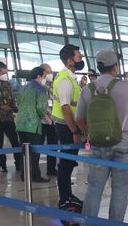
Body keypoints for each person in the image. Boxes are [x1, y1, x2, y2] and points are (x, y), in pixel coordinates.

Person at [74, 50, 128, 226]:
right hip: (124, 143)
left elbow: (79, 118)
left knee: (95, 187)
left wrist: (90, 132)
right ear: (116, 67)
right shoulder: (127, 86)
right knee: (120, 189)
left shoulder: (88, 89)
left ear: (98, 67)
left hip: (98, 144)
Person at [51, 44, 86, 208]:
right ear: (69, 60)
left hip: (68, 125)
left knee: (68, 163)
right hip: (66, 127)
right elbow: (65, 107)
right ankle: (64, 198)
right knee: (66, 164)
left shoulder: (70, 78)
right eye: (78, 58)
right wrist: (75, 131)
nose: (81, 61)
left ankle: (68, 195)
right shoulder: (65, 80)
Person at [14, 66, 51, 184]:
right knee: (34, 152)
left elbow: (18, 103)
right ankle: (35, 175)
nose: (45, 78)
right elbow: (41, 107)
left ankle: (24, 174)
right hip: (33, 124)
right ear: (39, 76)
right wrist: (39, 116)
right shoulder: (41, 89)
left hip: (20, 123)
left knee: (24, 150)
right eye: (44, 76)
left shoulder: (23, 88)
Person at [38, 62, 57, 176]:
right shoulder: (37, 86)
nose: (50, 75)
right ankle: (34, 170)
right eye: (48, 72)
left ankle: (51, 168)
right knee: (38, 145)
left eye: (51, 72)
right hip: (41, 121)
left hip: (53, 120)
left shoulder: (53, 85)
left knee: (53, 145)